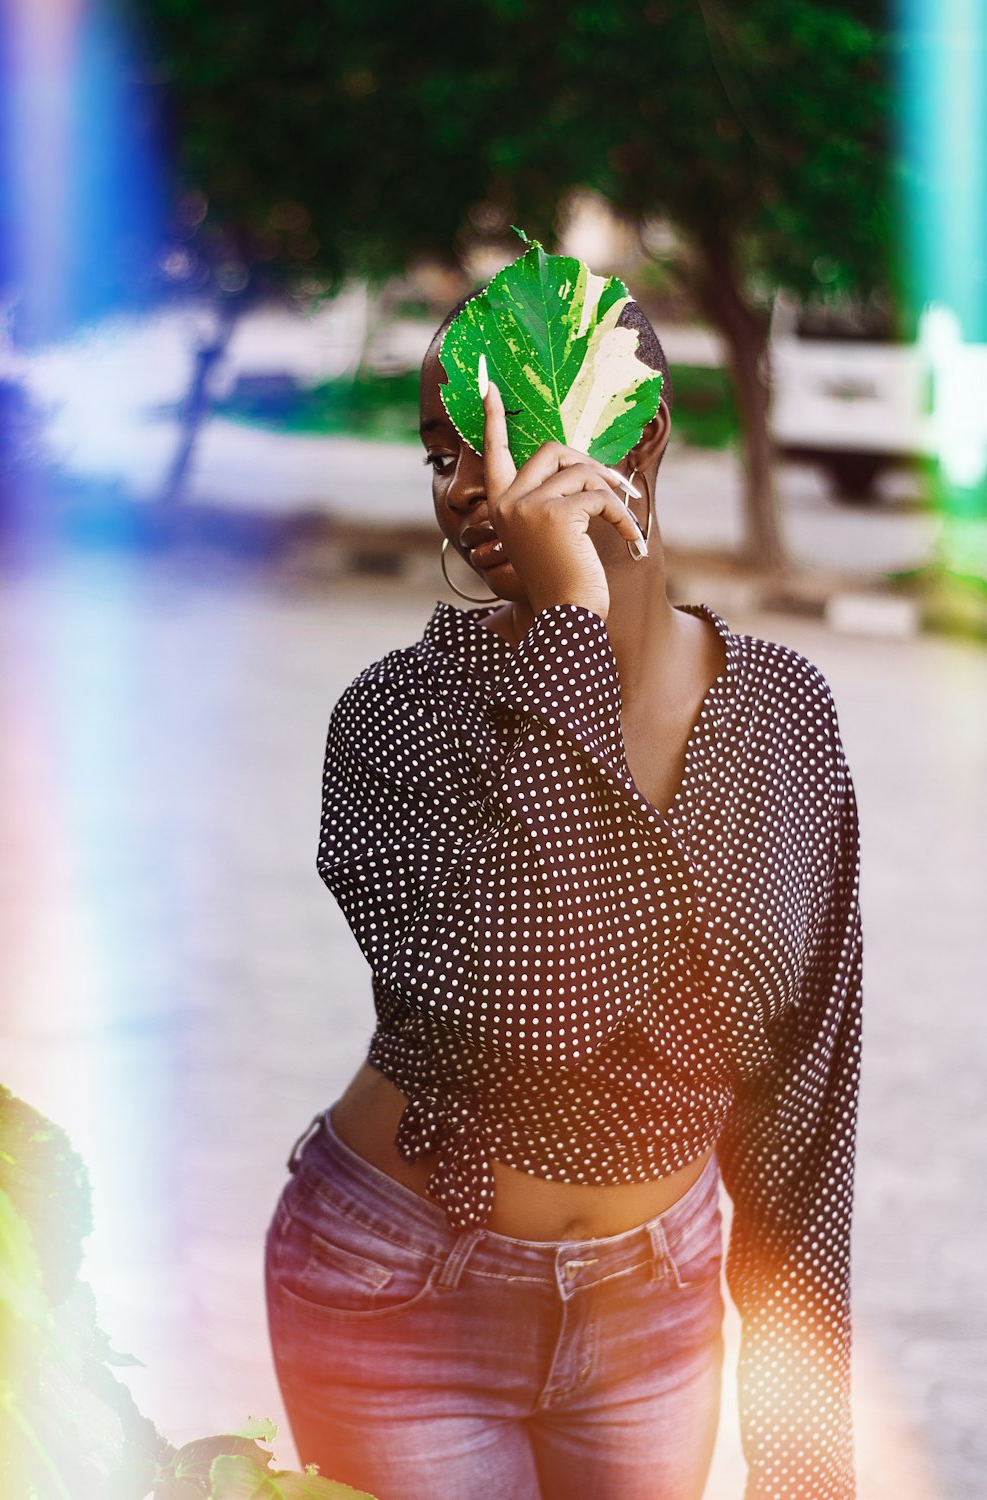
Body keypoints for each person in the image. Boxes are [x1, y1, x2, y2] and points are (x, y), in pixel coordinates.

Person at [264, 296, 864, 1500]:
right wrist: (568, 634)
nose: (470, 486)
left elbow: (804, 1100)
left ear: (633, 439)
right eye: (443, 451)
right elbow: (540, 1015)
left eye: (508, 435)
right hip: (403, 1292)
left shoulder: (783, 715)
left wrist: (806, 1461)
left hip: (656, 1304)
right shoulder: (400, 720)